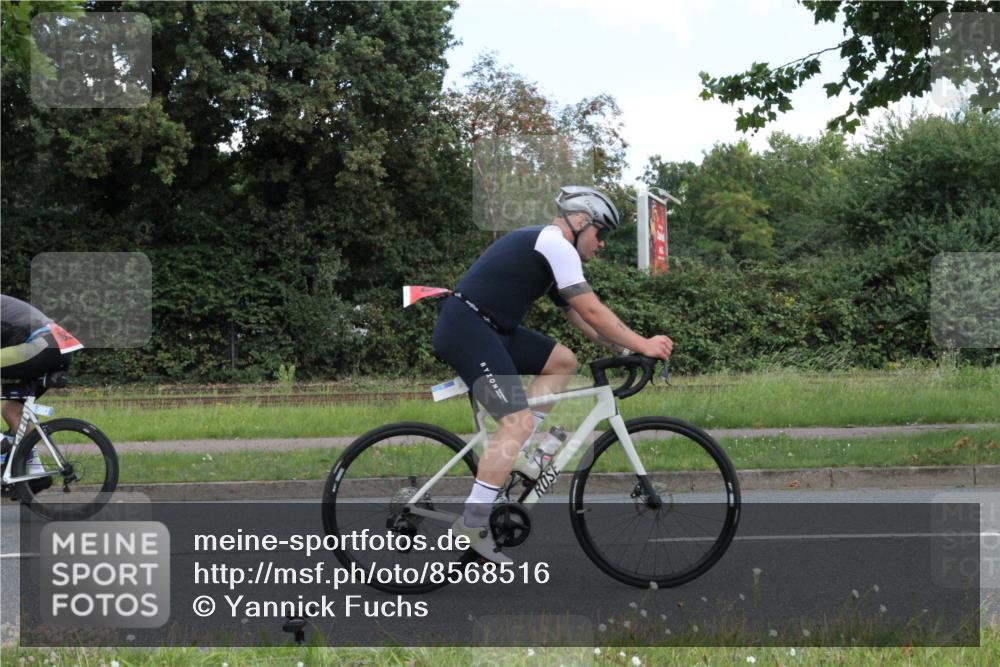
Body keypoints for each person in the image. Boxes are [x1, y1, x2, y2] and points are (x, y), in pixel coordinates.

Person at [432, 186, 673, 563]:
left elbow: (578, 315)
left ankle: (524, 453)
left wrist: (622, 350)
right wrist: (643, 343)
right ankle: (472, 522)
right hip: (468, 329)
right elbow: (591, 309)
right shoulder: (555, 244)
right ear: (580, 222)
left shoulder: (551, 249)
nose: (603, 243)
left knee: (562, 361)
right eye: (601, 232)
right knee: (516, 421)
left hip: (491, 328)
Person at [1, 294, 82, 495]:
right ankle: (37, 472)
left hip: (43, 346)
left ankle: (2, 443)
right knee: (13, 410)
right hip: (58, 347)